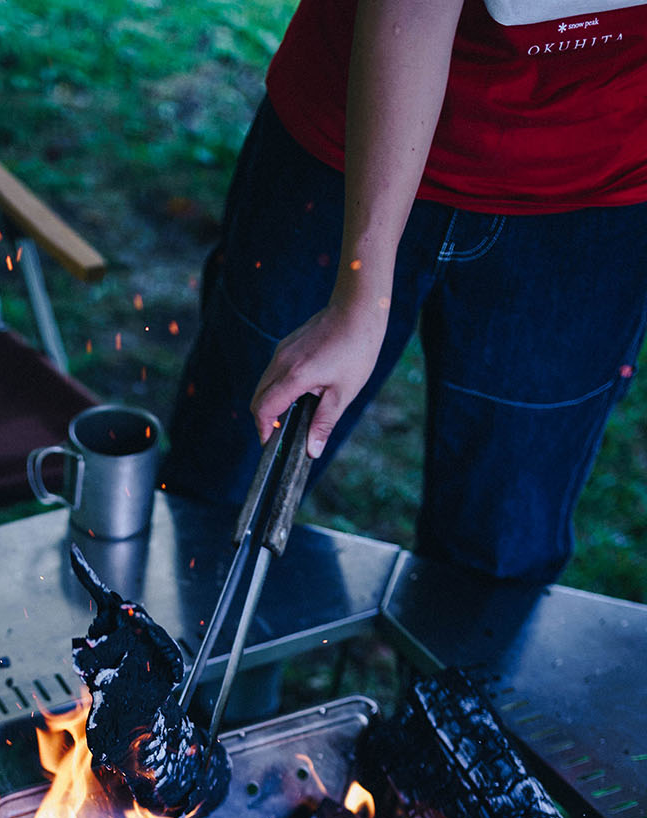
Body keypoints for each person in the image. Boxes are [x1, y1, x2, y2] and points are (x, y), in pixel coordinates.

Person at [163, 0, 647, 589]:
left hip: (598, 189)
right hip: (349, 132)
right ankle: (190, 672)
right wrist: (358, 297)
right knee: (221, 485)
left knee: (499, 547)